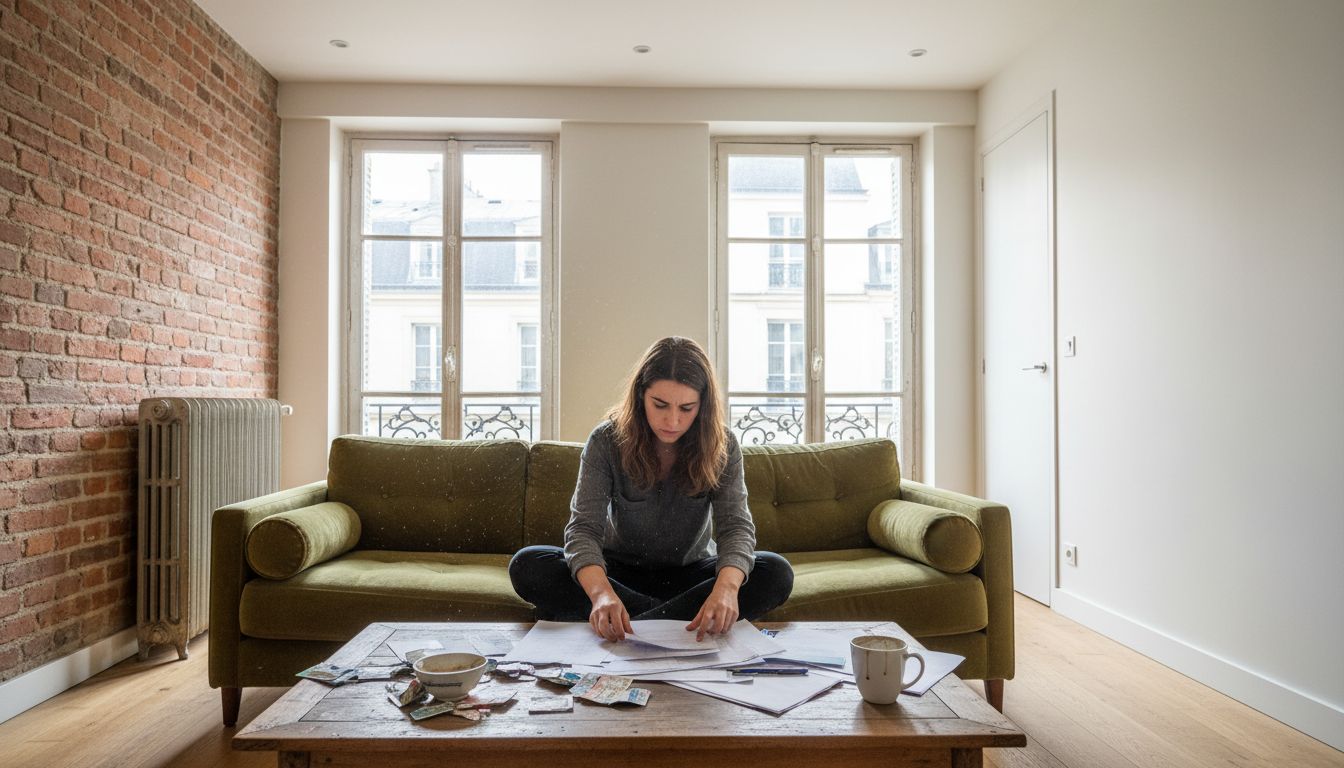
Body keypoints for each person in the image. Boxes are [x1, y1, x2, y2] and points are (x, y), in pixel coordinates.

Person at [509, 336, 794, 643]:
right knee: (528, 564)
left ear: (703, 405)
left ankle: (636, 626)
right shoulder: (605, 441)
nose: (672, 420)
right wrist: (602, 594)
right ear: (640, 395)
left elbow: (736, 528)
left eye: (687, 408)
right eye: (660, 405)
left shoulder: (722, 444)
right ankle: (670, 624)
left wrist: (725, 591)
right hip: (620, 573)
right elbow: (583, 531)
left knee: (776, 573)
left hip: (693, 574)